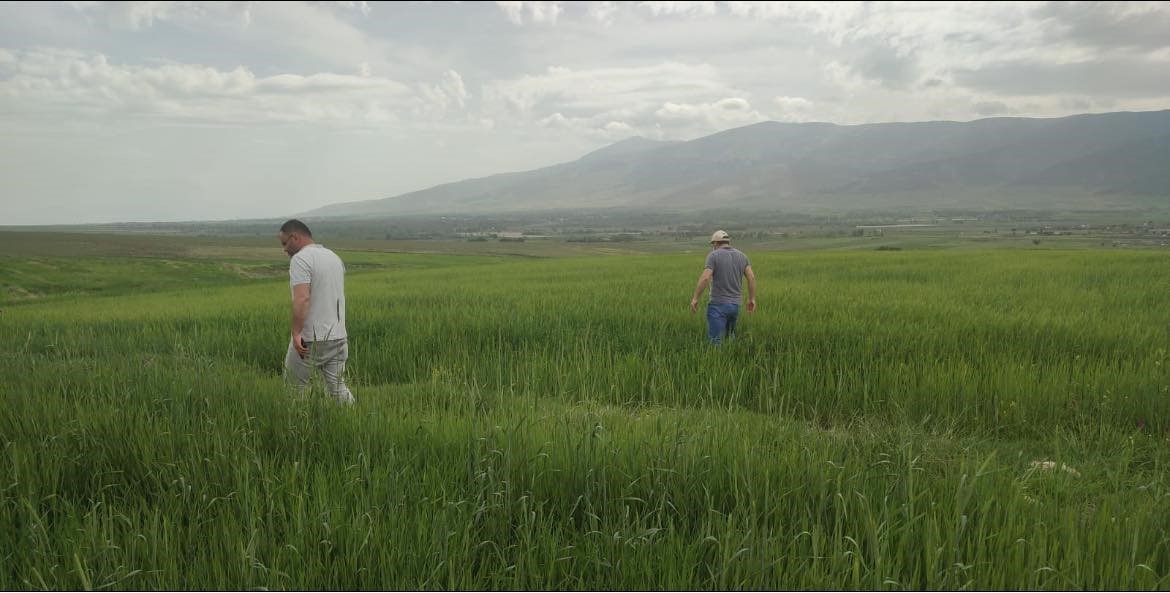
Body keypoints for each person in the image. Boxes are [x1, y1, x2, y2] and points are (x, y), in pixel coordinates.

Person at [278, 219, 355, 404]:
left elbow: (302, 298)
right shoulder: (333, 257)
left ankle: (298, 429)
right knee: (337, 388)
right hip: (338, 336)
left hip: (310, 339)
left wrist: (296, 333)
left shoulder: (300, 259)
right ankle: (354, 417)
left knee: (294, 389)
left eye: (284, 243)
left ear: (294, 237)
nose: (284, 249)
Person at [689, 230, 757, 344]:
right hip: (735, 306)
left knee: (715, 341)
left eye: (713, 244)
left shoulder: (713, 256)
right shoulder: (742, 256)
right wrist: (752, 299)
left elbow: (705, 278)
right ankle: (731, 357)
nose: (712, 247)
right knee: (730, 337)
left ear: (716, 243)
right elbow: (751, 278)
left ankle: (716, 360)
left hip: (718, 305)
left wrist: (695, 298)